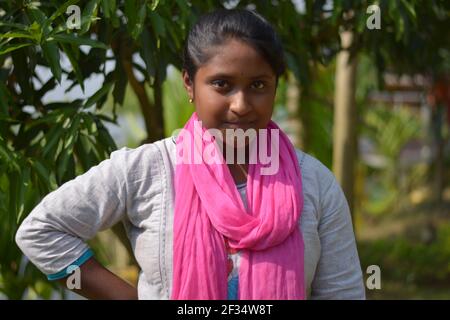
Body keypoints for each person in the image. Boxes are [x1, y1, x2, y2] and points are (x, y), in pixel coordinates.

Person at [15, 8, 365, 300]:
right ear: (189, 84)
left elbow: (343, 293)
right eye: (222, 85)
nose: (241, 105)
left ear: (276, 87)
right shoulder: (148, 169)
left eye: (258, 85)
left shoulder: (314, 183)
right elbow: (41, 231)